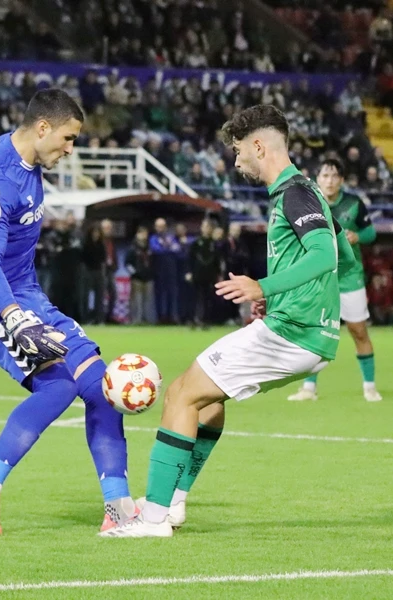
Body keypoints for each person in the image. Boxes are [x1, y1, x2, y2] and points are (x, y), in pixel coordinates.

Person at [100, 105, 356, 538]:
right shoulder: (303, 192)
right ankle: (173, 504)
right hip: (303, 330)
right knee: (208, 402)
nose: (237, 162)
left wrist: (266, 288)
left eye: (239, 151)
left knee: (180, 394)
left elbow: (325, 255)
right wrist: (288, 298)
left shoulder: (295, 192)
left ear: (259, 145)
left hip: (293, 332)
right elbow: (345, 257)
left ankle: (155, 517)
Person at [0, 89, 135, 535]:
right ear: (43, 128)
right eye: (68, 138)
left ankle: (119, 511)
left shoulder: (18, 163)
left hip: (28, 294)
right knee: (59, 387)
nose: (70, 149)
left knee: (101, 388)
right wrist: (14, 317)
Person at [288, 159, 382, 403]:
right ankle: (309, 388)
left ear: (341, 180)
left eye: (334, 176)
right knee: (315, 331)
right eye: (325, 175)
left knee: (358, 331)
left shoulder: (354, 203)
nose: (329, 181)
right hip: (320, 277)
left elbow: (371, 233)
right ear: (317, 179)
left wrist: (358, 235)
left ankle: (369, 386)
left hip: (350, 277)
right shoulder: (308, 203)